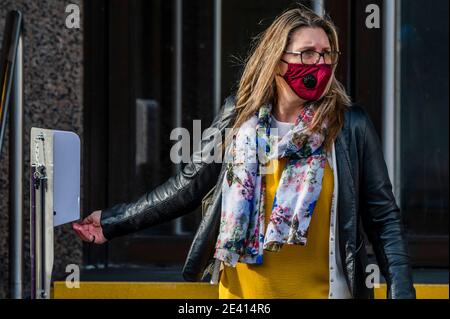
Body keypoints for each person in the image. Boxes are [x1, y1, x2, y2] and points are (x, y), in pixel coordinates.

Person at [73, 5, 416, 299]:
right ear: (278, 60)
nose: (320, 63)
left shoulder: (349, 126)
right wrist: (112, 222)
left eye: (327, 54)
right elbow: (186, 189)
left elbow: (383, 219)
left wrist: (402, 292)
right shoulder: (238, 118)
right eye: (308, 53)